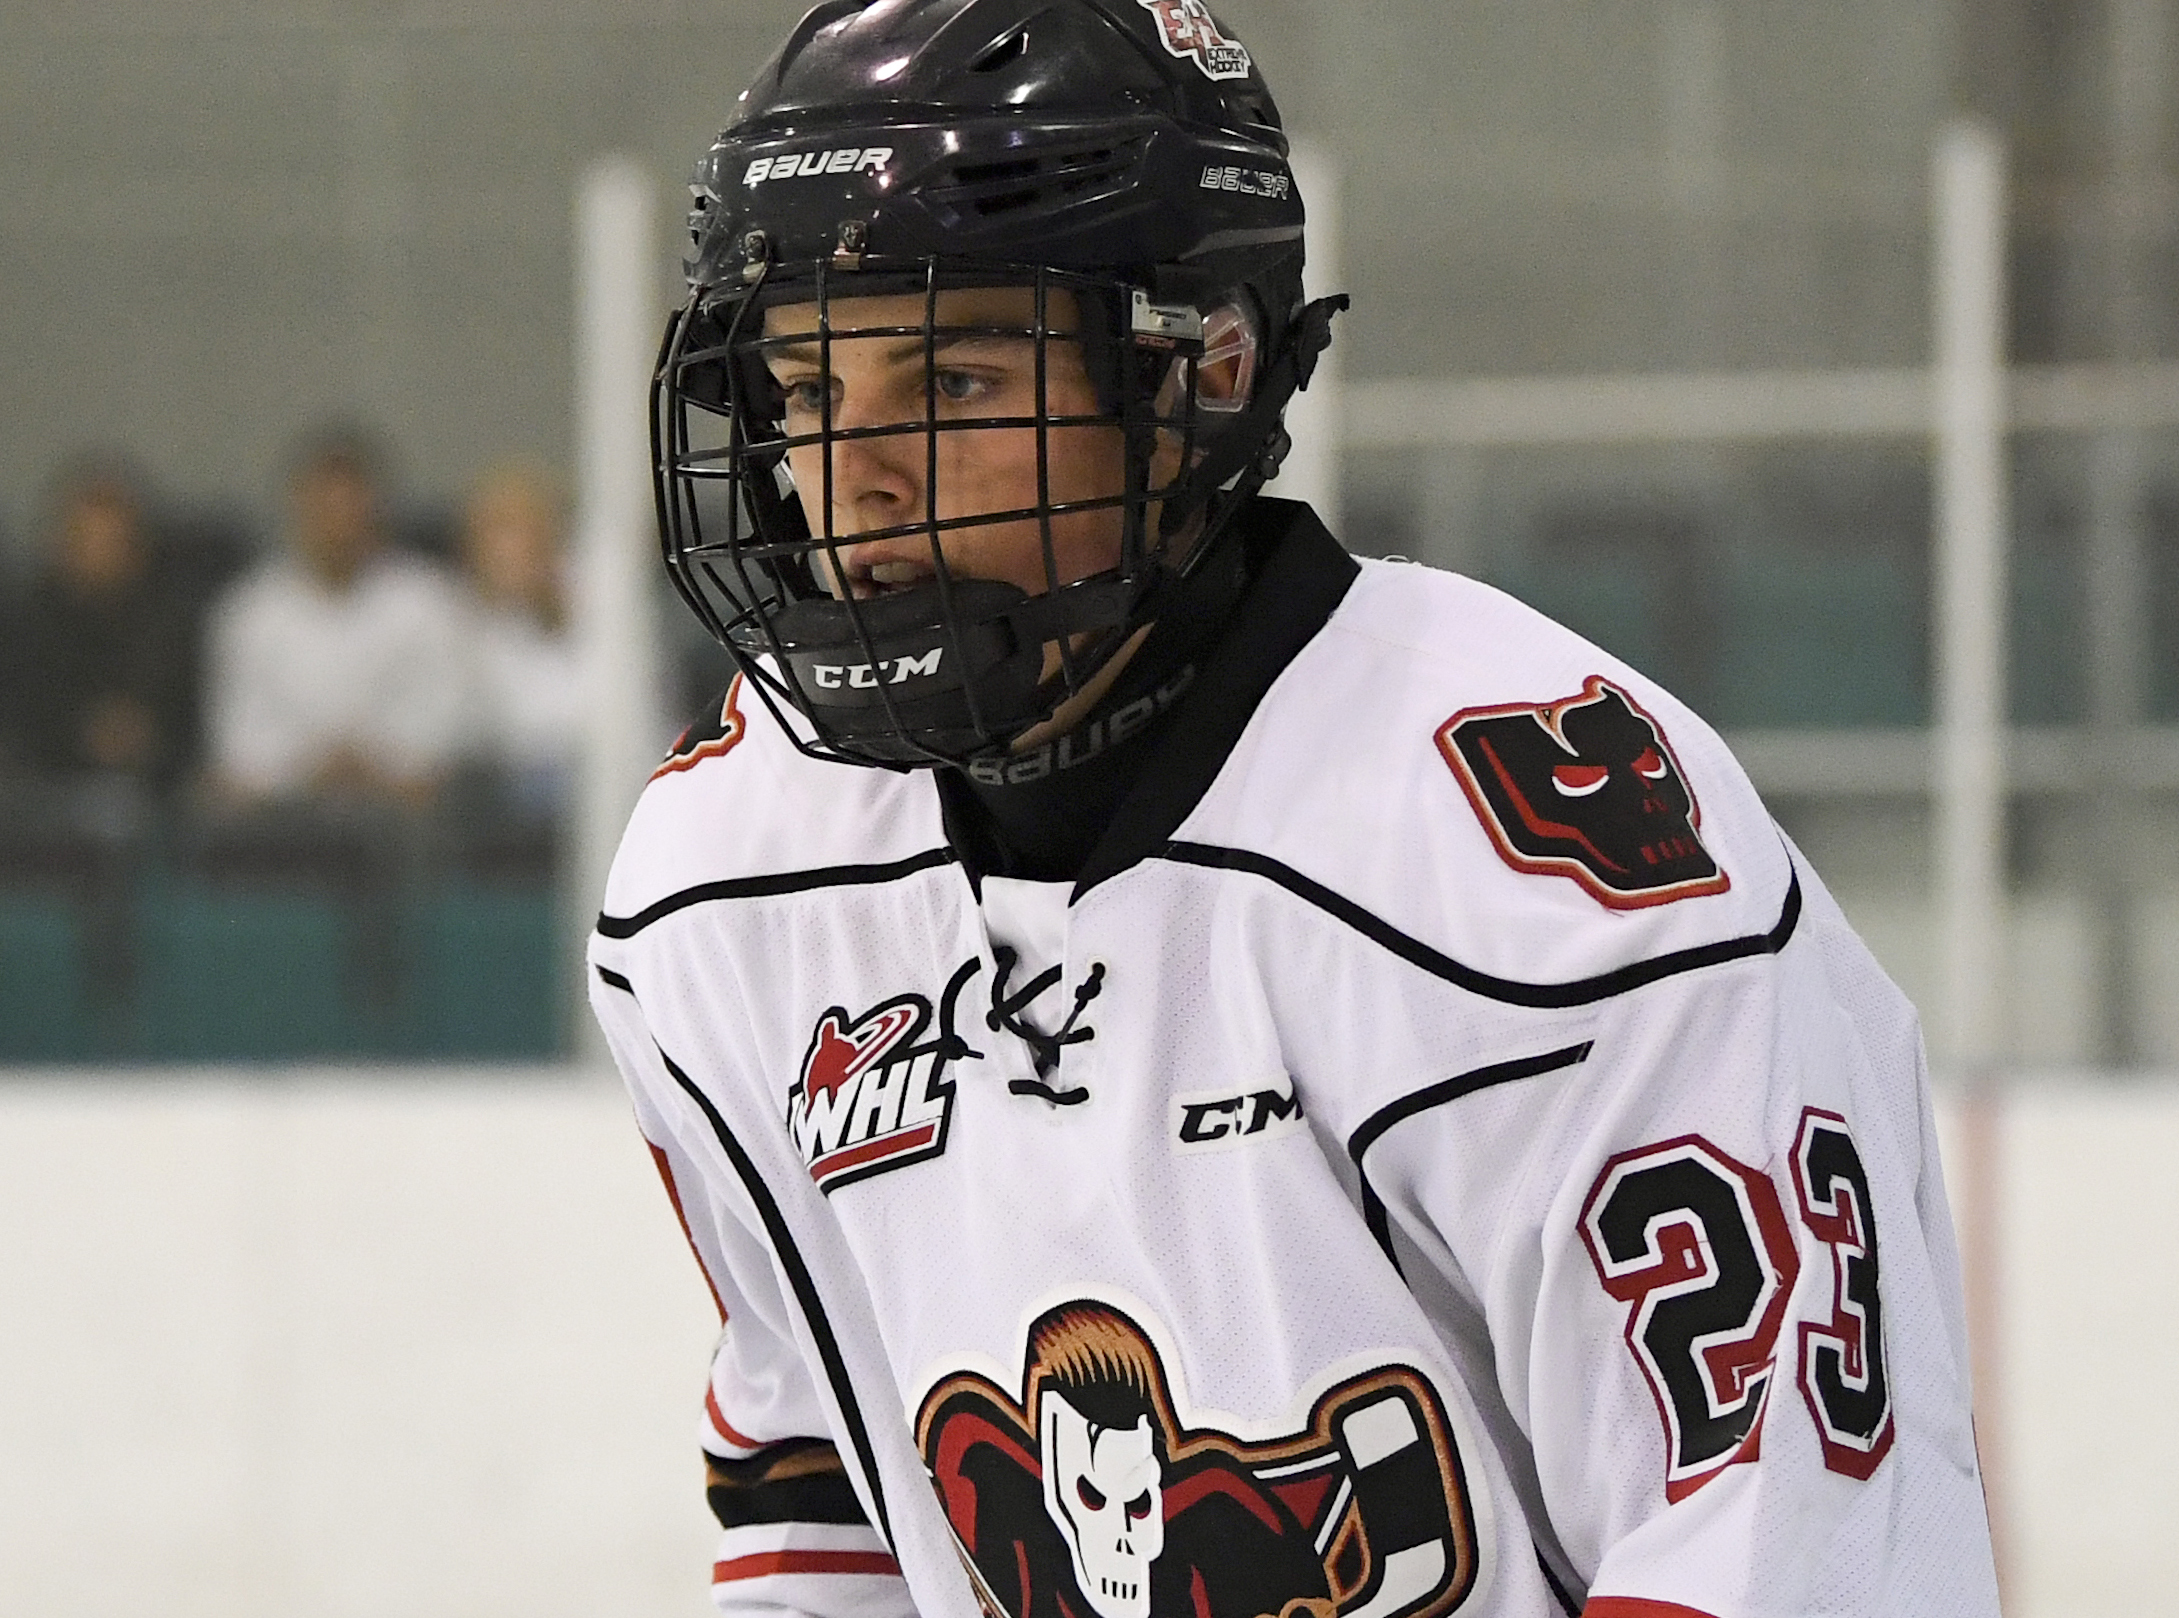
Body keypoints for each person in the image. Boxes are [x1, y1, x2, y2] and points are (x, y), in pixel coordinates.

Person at [589, 5, 2001, 1616]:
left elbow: (1776, 1554)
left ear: (1205, 369)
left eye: (953, 374)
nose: (856, 479)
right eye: (804, 388)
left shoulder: (1531, 866)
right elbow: (824, 1508)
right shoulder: (726, 883)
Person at [205, 424, 472, 810]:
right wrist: (311, 772)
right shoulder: (249, 612)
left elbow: (449, 733)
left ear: (377, 508)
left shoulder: (430, 603)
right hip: (282, 823)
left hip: (406, 820)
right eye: (325, 505)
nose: (338, 521)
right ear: (298, 507)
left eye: (351, 504)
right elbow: (239, 749)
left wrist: (373, 768)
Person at [2, 457, 200, 793]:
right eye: (88, 541)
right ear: (59, 543)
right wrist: (84, 735)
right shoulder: (21, 626)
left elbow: (193, 727)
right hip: (41, 797)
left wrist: (139, 736)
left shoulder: (177, 626)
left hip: (156, 795)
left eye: (115, 542)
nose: (101, 555)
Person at [457, 461, 581, 818]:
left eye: (510, 529)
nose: (499, 549)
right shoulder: (471, 631)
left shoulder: (610, 602)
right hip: (519, 826)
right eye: (485, 534)